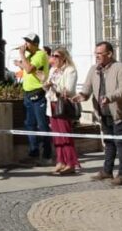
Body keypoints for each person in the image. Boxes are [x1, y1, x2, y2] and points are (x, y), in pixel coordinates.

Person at [73, 41, 122, 186]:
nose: (97, 56)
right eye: (96, 53)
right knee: (108, 142)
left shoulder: (121, 68)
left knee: (120, 143)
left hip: (119, 112)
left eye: (100, 53)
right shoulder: (94, 69)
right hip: (103, 112)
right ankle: (107, 171)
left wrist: (109, 98)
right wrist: (81, 96)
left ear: (110, 54)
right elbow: (87, 88)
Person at [16, 33, 51, 165]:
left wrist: (22, 55)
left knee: (42, 125)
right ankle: (33, 152)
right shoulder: (30, 56)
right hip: (28, 94)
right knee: (29, 124)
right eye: (25, 41)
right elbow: (28, 68)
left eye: (28, 42)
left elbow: (30, 69)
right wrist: (20, 64)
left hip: (38, 93)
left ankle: (47, 155)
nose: (26, 45)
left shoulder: (40, 54)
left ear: (35, 44)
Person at [44, 48, 80, 175]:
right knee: (56, 135)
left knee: (65, 134)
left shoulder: (70, 70)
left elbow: (68, 90)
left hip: (63, 105)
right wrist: (45, 84)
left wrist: (53, 86)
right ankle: (60, 161)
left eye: (56, 56)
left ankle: (71, 163)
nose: (53, 58)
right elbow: (47, 88)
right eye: (52, 55)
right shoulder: (53, 70)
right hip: (52, 104)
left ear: (64, 57)